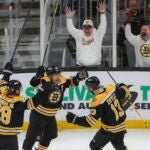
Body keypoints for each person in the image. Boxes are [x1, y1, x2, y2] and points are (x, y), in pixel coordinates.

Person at [22, 66, 88, 150]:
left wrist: (79, 77)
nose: (57, 76)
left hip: (51, 116)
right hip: (38, 115)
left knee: (51, 134)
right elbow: (34, 83)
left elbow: (72, 82)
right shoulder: (44, 80)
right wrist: (38, 76)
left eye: (58, 74)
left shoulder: (61, 81)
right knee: (31, 138)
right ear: (49, 75)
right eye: (55, 74)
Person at [66, 76, 131, 150]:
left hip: (110, 130)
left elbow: (90, 122)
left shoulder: (97, 102)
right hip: (122, 125)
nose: (88, 89)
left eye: (88, 87)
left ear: (91, 88)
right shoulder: (111, 88)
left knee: (94, 146)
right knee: (120, 147)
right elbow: (125, 91)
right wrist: (122, 85)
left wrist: (74, 119)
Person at [65, 1, 107, 66]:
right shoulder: (79, 34)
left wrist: (102, 13)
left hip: (96, 67)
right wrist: (69, 18)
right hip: (80, 67)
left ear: (93, 27)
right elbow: (71, 29)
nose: (87, 29)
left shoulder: (98, 34)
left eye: (89, 27)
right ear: (83, 28)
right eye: (85, 27)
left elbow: (103, 25)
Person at [0, 62, 30, 150]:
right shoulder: (20, 102)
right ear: (15, 90)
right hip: (10, 138)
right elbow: (35, 103)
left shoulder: (2, 94)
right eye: (18, 89)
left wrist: (6, 74)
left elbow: (3, 83)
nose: (19, 91)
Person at [117, 0, 146, 67]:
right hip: (127, 44)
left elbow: (144, 29)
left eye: (135, 6)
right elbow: (119, 32)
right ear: (129, 6)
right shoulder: (123, 16)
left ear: (137, 6)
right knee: (127, 63)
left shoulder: (141, 17)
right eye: (132, 6)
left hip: (138, 44)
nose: (133, 7)